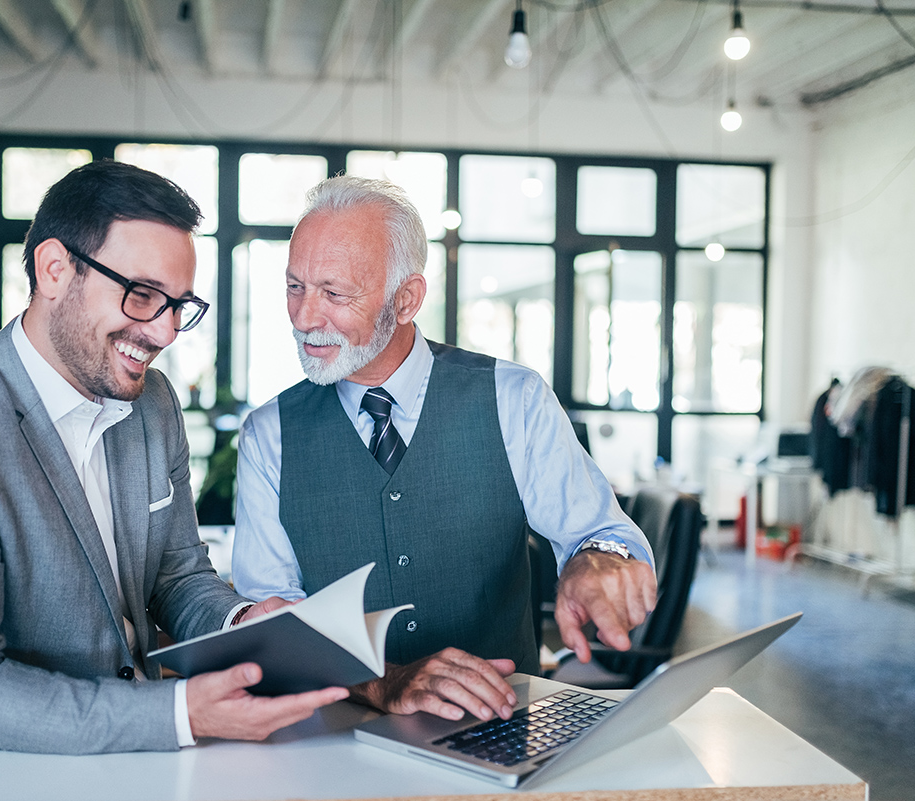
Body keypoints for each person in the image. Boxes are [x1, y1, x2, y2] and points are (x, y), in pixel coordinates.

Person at [0, 160, 347, 755]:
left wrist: (242, 623)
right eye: (143, 295)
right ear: (55, 270)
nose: (167, 332)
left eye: (179, 304)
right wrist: (178, 714)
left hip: (149, 767)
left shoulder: (152, 403)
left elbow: (178, 577)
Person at [232, 175, 657, 725]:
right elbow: (272, 623)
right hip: (334, 740)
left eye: (334, 293)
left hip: (500, 729)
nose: (305, 317)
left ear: (406, 299)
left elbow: (601, 531)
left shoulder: (514, 398)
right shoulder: (269, 434)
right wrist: (381, 681)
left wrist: (598, 560)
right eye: (295, 287)